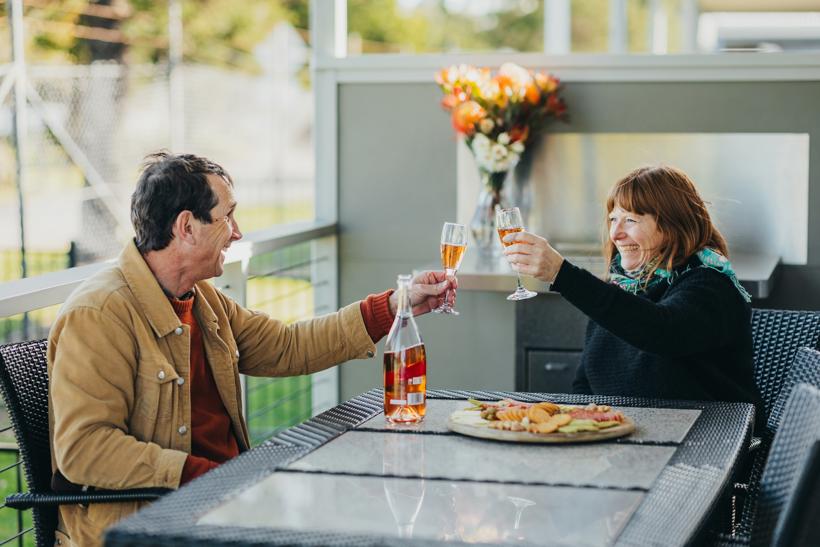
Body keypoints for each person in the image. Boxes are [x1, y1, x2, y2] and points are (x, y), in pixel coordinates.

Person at [47, 151, 455, 546]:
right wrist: (210, 478)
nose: (238, 231)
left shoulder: (202, 299)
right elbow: (84, 449)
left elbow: (287, 346)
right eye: (227, 217)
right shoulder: (99, 314)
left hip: (225, 504)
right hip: (158, 525)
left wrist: (395, 305)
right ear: (186, 227)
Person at [500, 165, 762, 416]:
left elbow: (663, 331)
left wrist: (562, 275)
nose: (616, 233)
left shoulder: (711, 284)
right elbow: (585, 385)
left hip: (713, 437)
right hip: (631, 435)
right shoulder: (621, 289)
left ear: (672, 225)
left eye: (630, 220)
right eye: (613, 219)